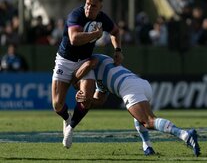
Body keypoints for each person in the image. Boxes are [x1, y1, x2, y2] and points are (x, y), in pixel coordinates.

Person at [68, 54, 201, 157]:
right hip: (141, 84)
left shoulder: (93, 59)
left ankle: (185, 135)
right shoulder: (98, 80)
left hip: (129, 87)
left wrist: (73, 80)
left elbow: (91, 63)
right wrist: (89, 99)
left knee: (148, 121)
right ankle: (147, 147)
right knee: (140, 119)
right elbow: (100, 100)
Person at [51, 0, 124, 149]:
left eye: (93, 6)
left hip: (83, 61)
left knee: (86, 98)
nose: (89, 8)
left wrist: (117, 50)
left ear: (100, 7)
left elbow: (116, 31)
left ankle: (71, 127)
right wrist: (94, 35)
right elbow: (74, 39)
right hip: (65, 60)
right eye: (87, 4)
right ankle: (66, 118)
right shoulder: (76, 15)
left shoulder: (102, 18)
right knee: (57, 104)